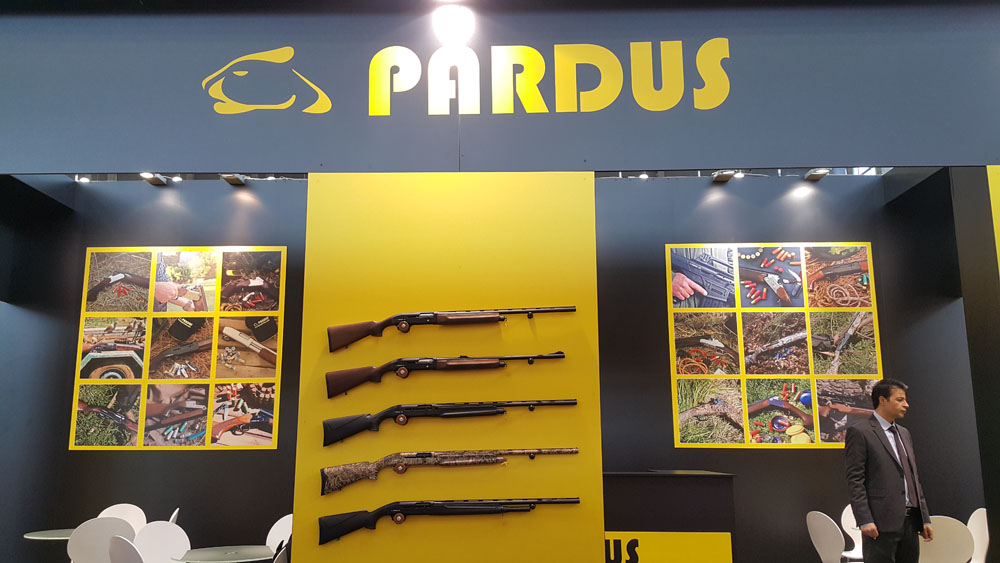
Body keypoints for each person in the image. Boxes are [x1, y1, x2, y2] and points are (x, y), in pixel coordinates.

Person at [845, 379, 933, 563]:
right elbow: (855, 480)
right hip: (880, 523)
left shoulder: (904, 433)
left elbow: (913, 478)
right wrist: (864, 519)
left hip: (910, 522)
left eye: (905, 400)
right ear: (883, 400)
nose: (906, 404)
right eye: (900, 400)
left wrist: (924, 518)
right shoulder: (860, 432)